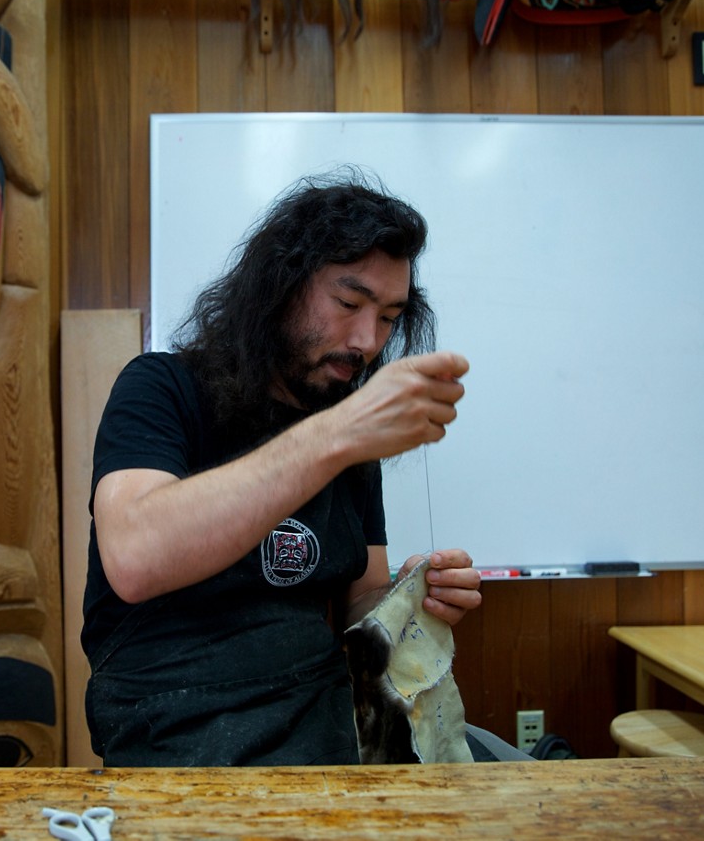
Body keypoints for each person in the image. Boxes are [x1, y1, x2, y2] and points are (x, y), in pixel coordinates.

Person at [82, 171, 498, 767]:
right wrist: (339, 434)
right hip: (178, 722)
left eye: (388, 317)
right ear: (280, 284)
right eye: (349, 303)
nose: (366, 341)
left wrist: (412, 596)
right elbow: (135, 557)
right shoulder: (163, 388)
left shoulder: (347, 433)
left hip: (323, 710)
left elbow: (363, 601)